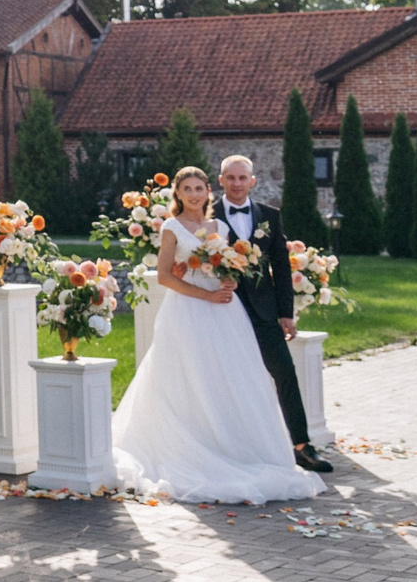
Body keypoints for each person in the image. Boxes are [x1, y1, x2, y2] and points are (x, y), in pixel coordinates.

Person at [111, 166, 321, 504]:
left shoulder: (219, 226)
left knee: (229, 379)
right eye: (187, 189)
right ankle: (192, 447)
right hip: (188, 312)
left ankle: (240, 447)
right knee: (189, 380)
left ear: (209, 190)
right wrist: (206, 294)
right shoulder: (171, 227)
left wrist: (229, 281)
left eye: (199, 188)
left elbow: (230, 265)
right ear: (177, 194)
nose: (194, 194)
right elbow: (165, 276)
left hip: (225, 312)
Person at [211, 154, 333, 474]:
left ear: (253, 181)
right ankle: (229, 447)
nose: (237, 184)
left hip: (264, 311)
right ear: (220, 180)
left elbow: (280, 265)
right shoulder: (205, 216)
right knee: (224, 379)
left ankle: (302, 446)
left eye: (243, 178)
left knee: (285, 373)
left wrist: (285, 313)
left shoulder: (269, 215)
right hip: (221, 309)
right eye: (231, 178)